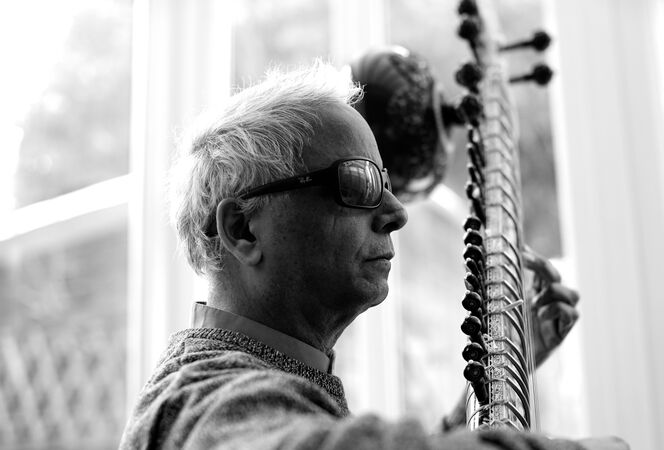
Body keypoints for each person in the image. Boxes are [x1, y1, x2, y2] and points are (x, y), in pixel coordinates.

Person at [118, 62, 627, 450]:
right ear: (242, 228)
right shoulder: (206, 398)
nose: (396, 211)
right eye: (358, 181)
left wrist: (487, 391)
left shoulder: (258, 384)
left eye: (386, 184)